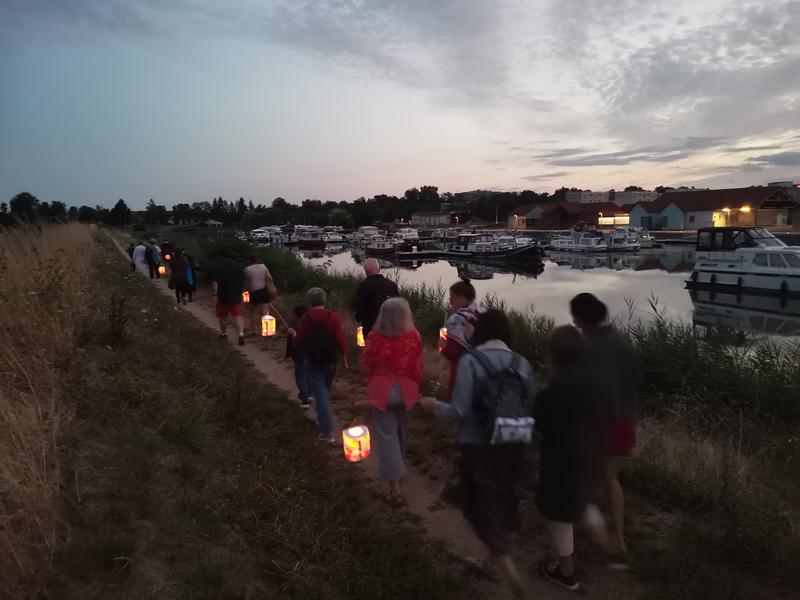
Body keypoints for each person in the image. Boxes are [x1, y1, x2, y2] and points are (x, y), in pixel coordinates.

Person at [421, 310, 535, 600]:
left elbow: (459, 410)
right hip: (514, 442)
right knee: (503, 495)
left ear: (481, 331)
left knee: (476, 505)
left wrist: (433, 405)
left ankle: (503, 561)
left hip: (477, 445)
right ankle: (497, 552)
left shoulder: (471, 361)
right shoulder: (521, 363)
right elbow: (528, 406)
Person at [536, 325, 610, 591]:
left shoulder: (552, 394)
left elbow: (539, 426)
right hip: (589, 456)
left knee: (558, 516)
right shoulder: (595, 383)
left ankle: (565, 572)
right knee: (579, 496)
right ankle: (594, 521)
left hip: (560, 462)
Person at [570, 292, 641, 561]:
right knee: (610, 477)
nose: (574, 322)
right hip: (624, 419)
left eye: (575, 316)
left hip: (596, 422)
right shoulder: (621, 340)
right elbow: (636, 376)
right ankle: (619, 539)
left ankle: (593, 524)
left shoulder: (586, 346)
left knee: (582, 471)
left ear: (582, 318)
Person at [361, 297, 422, 506]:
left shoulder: (374, 337)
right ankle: (400, 466)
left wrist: (369, 380)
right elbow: (418, 364)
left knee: (386, 436)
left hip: (382, 391)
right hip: (407, 390)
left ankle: (394, 489)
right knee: (400, 430)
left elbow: (366, 365)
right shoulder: (414, 336)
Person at [293, 287, 349, 443]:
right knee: (324, 390)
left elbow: (299, 341)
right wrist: (345, 357)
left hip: (312, 361)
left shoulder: (306, 318)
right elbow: (340, 339)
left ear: (309, 301)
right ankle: (322, 416)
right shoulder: (334, 317)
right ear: (324, 300)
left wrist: (295, 342)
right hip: (331, 361)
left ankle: (327, 432)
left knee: (321, 395)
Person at [440, 279, 483, 398]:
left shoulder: (456, 319)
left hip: (463, 372)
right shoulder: (485, 313)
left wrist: (442, 344)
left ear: (461, 297)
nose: (450, 302)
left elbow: (450, 352)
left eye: (451, 298)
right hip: (484, 371)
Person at [354, 258, 399, 337]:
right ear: (379, 269)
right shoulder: (392, 285)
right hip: (391, 331)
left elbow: (359, 316)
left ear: (366, 272)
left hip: (371, 332)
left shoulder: (363, 287)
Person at [212, 257, 246, 345]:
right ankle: (241, 334)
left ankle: (223, 333)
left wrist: (215, 294)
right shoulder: (239, 267)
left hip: (223, 296)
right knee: (237, 315)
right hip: (236, 295)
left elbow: (215, 282)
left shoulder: (218, 267)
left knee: (223, 316)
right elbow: (243, 281)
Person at [244, 254, 276, 336]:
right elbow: (270, 279)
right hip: (263, 290)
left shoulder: (246, 269)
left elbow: (246, 283)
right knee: (265, 311)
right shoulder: (263, 266)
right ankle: (268, 330)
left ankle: (254, 331)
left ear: (249, 261)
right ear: (257, 260)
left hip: (253, 291)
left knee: (252, 311)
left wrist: (246, 293)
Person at [286, 305, 311, 409]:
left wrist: (288, 354)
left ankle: (305, 398)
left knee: (301, 377)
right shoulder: (313, 325)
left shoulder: (294, 329)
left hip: (300, 356)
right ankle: (308, 394)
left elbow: (291, 344)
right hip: (311, 356)